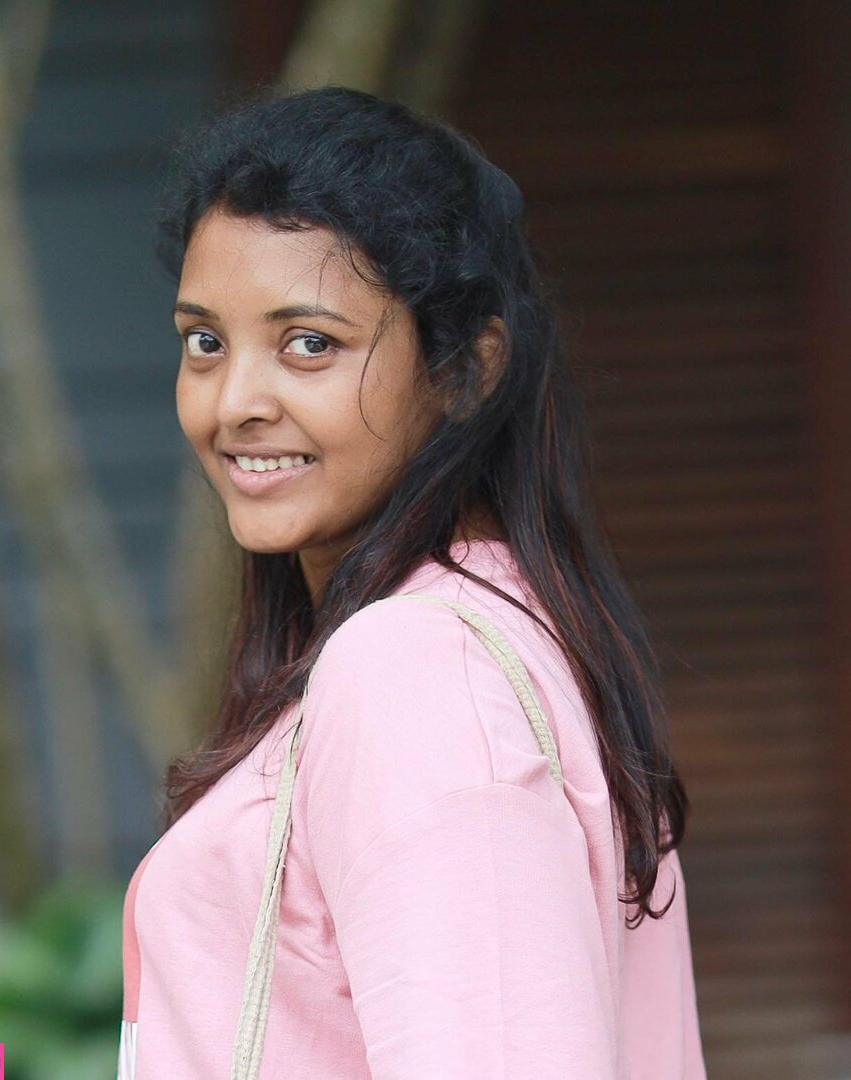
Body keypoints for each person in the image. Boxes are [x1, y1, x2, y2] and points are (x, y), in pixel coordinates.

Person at [117, 84, 707, 1079]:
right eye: (204, 341)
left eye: (310, 344)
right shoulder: (484, 635)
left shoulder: (422, 673)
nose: (235, 401)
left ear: (466, 371)